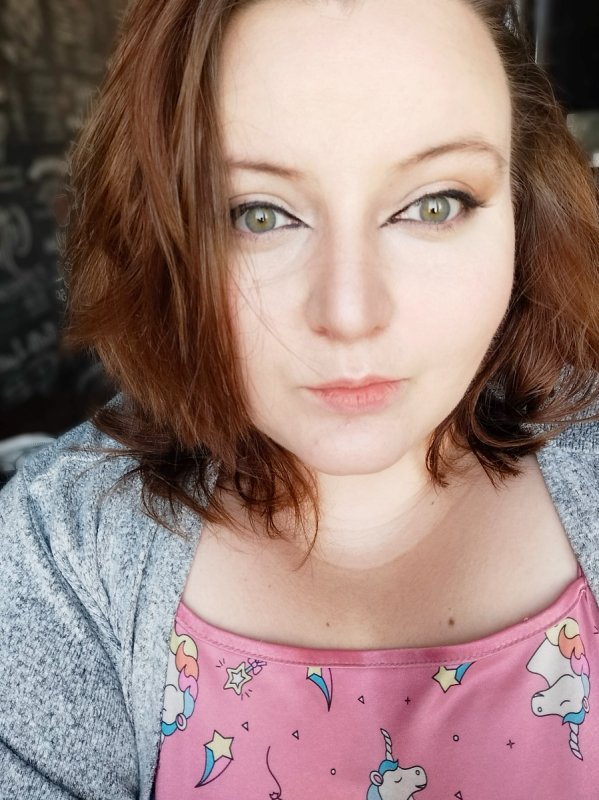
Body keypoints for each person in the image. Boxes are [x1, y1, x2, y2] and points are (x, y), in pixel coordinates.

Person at [1, 0, 598, 797]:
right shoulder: (60, 547)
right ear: (159, 235)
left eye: (434, 204)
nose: (349, 314)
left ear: (524, 216)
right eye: (258, 214)